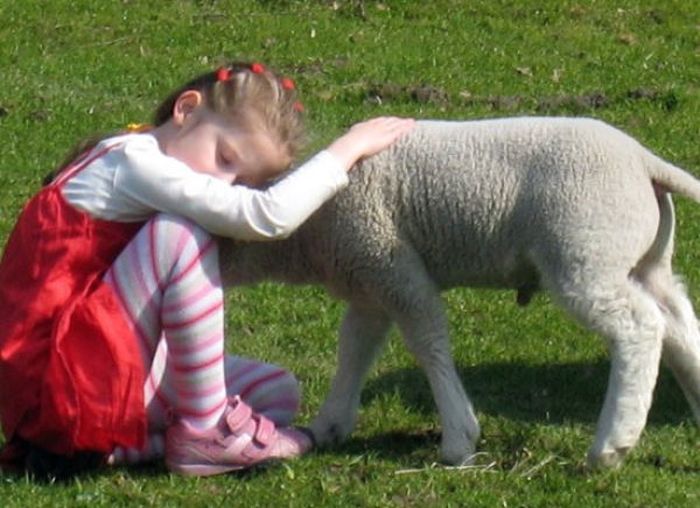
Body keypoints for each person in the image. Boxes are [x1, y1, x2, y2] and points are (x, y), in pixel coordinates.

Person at [0, 61, 415, 478]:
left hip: (91, 371)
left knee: (278, 392)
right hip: (60, 386)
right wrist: (348, 148)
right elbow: (267, 216)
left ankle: (120, 449)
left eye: (240, 181)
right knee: (180, 234)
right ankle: (202, 434)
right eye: (224, 158)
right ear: (186, 109)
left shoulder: (136, 154)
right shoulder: (135, 162)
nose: (224, 182)